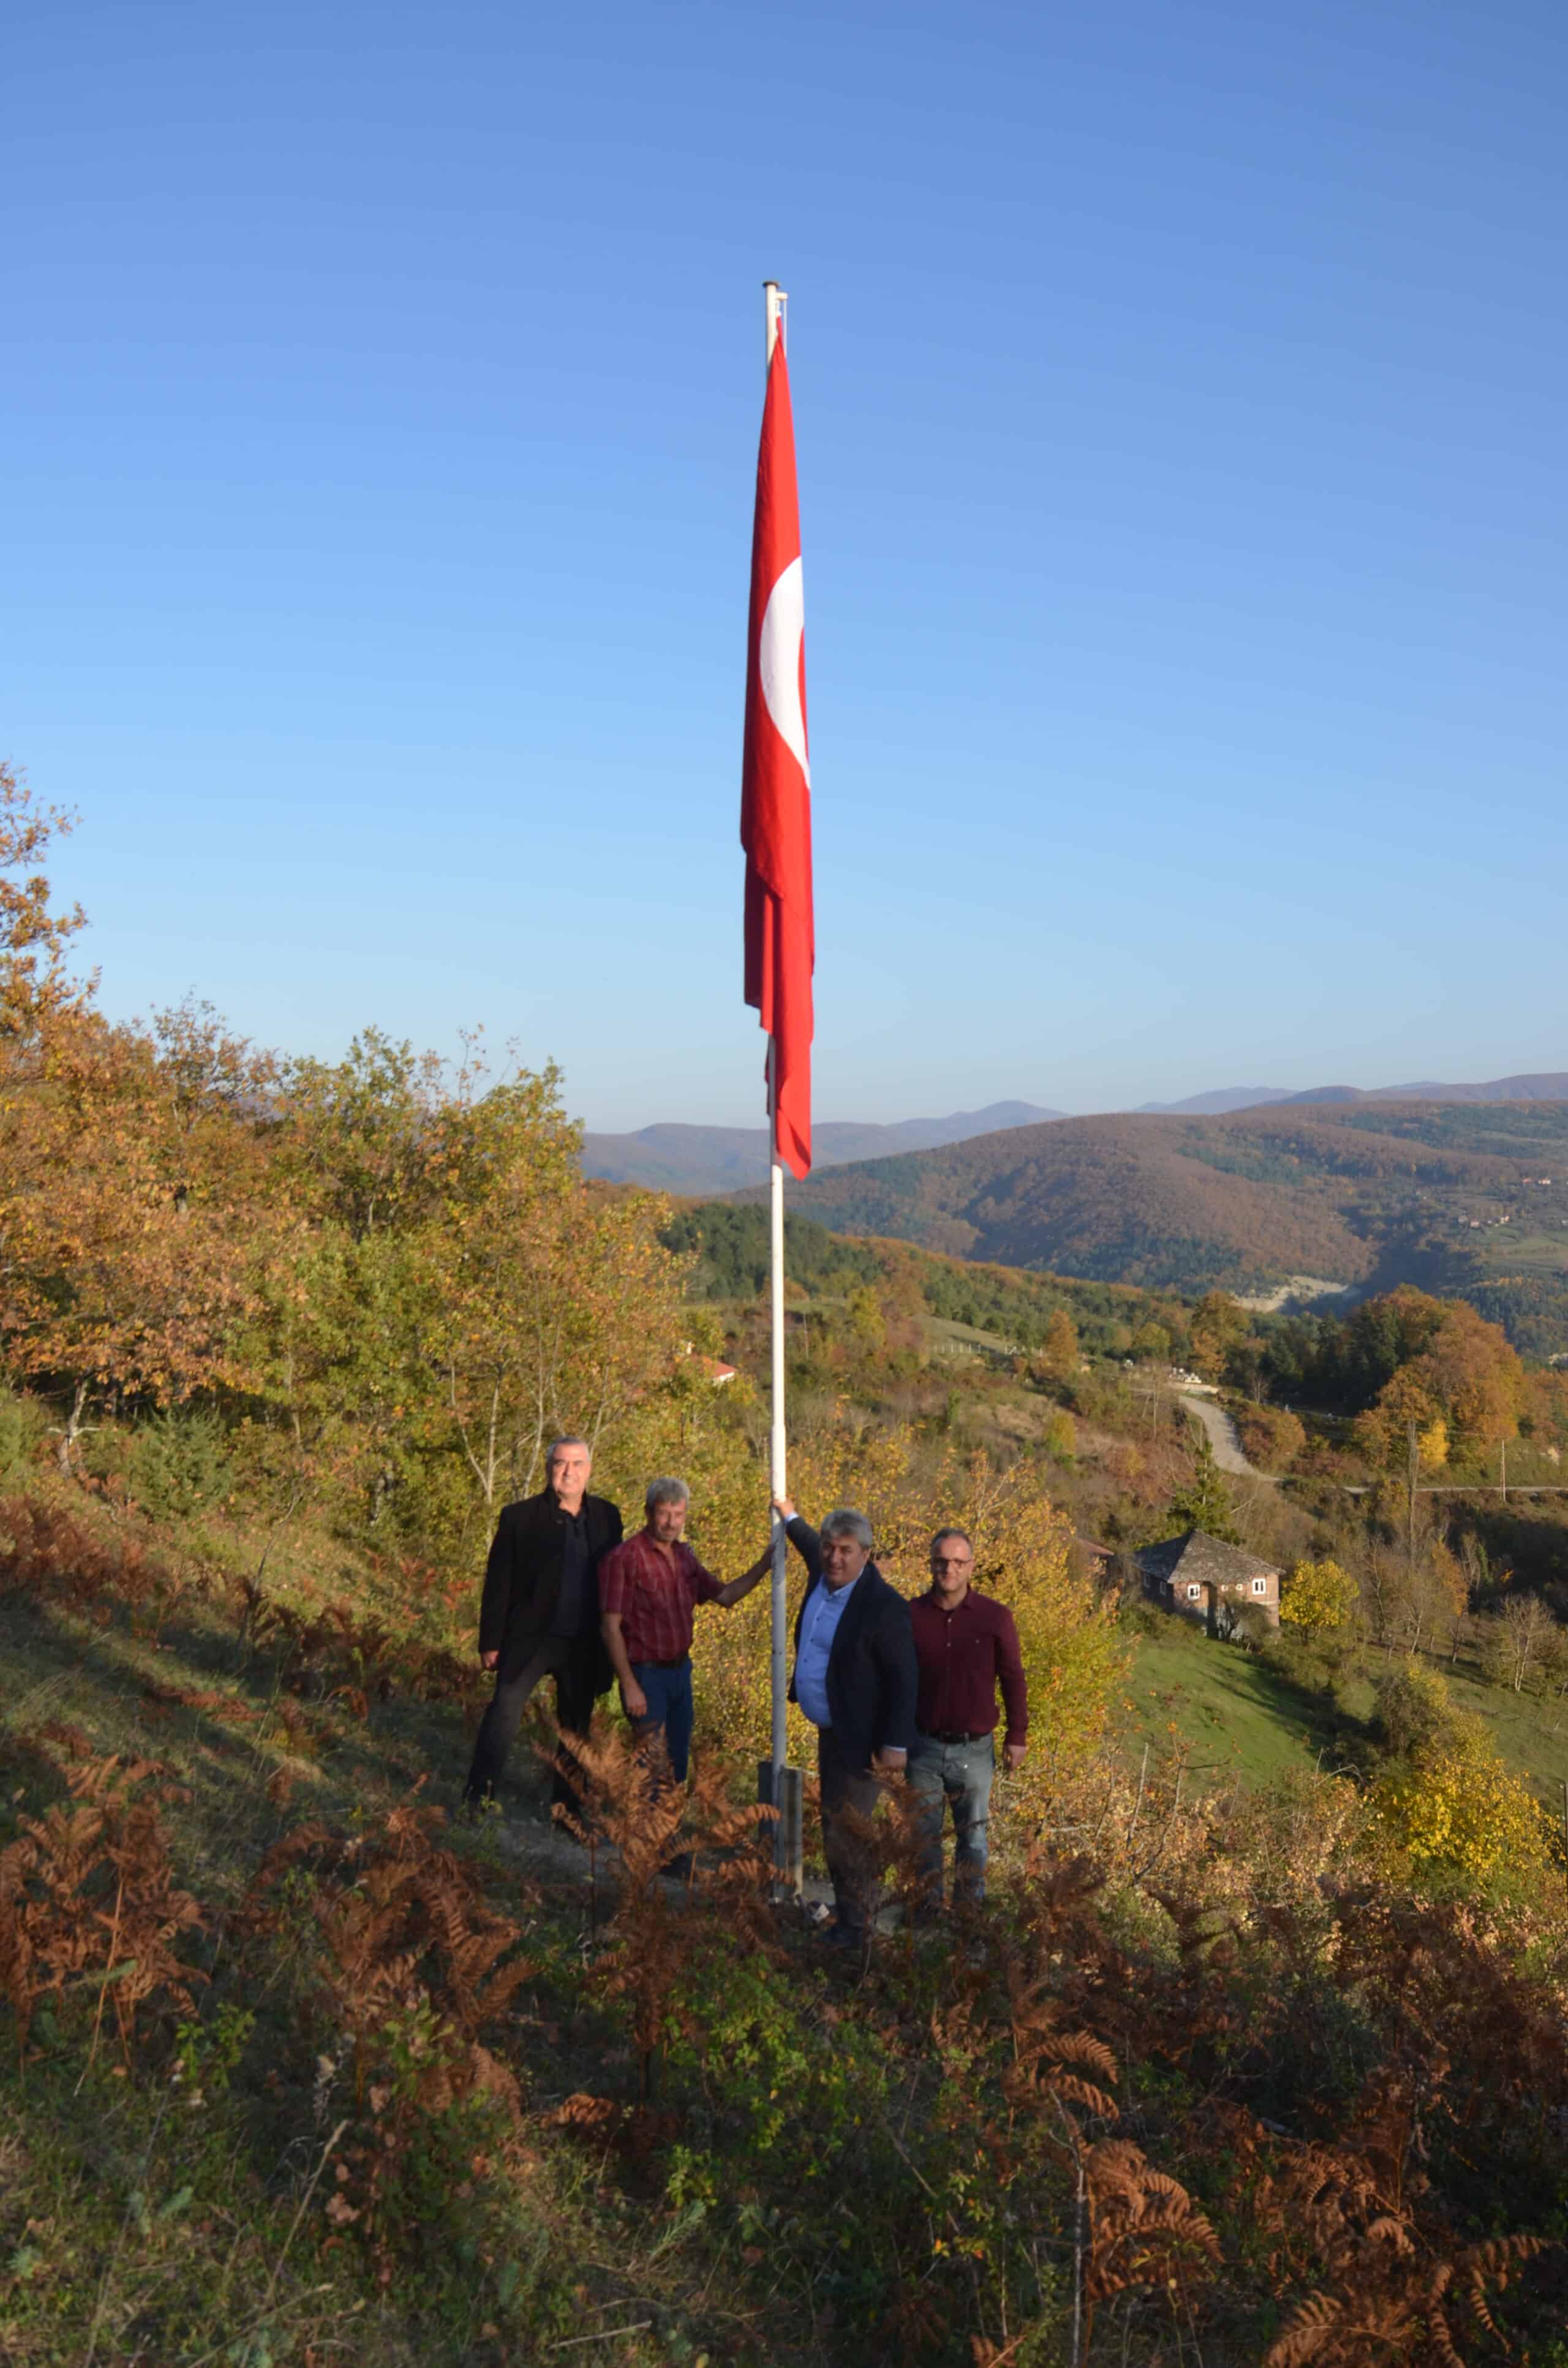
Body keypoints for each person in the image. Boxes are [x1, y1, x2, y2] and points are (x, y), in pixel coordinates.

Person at [775, 1498, 918, 1948]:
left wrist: (896, 1744)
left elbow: (904, 1679)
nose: (835, 1557)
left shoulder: (883, 1605)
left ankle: (856, 1928)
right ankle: (851, 1911)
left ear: (866, 1555)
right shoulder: (824, 1574)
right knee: (835, 1822)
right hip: (832, 1730)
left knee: (847, 1831)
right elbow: (807, 1543)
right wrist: (789, 1513)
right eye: (830, 1548)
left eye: (846, 1550)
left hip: (864, 1741)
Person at [466, 1437, 624, 1818]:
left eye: (577, 1464)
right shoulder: (519, 1517)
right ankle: (477, 1801)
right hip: (530, 1638)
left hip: (583, 1643)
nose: (568, 1472)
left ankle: (566, 1813)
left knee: (575, 1730)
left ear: (589, 1469)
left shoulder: (608, 1517)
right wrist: (490, 1641)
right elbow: (498, 1582)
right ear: (549, 1467)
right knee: (503, 1714)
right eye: (560, 1463)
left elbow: (616, 1581)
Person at [598, 1478, 771, 1782]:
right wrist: (629, 1685)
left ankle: (666, 1828)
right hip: (645, 1675)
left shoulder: (684, 1557)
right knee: (651, 1765)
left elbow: (726, 1596)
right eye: (664, 1514)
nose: (670, 1523)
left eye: (678, 1515)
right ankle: (639, 1830)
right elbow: (610, 1628)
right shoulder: (625, 1558)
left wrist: (765, 1565)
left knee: (677, 1764)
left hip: (681, 1674)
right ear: (648, 1512)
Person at [907, 1526, 1028, 1915]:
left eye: (958, 1562)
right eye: (942, 1561)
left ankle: (966, 1920)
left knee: (972, 1838)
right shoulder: (910, 1615)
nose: (949, 1569)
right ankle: (925, 1914)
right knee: (922, 1836)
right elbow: (894, 1679)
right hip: (921, 1745)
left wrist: (1017, 1734)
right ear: (931, 1564)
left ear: (971, 1566)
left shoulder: (995, 1617)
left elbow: (1013, 1677)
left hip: (974, 1749)